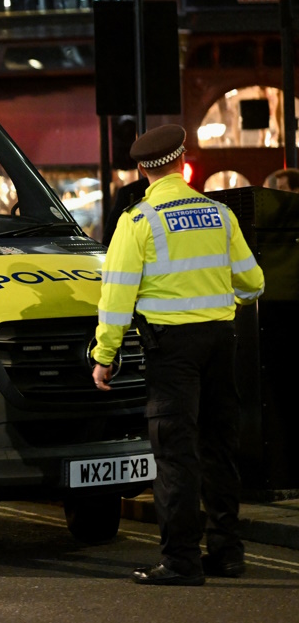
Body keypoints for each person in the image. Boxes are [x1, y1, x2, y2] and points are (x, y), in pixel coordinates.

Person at [89, 124, 264, 586]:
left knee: (174, 453)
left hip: (171, 351)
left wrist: (104, 355)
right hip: (219, 342)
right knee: (218, 448)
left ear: (143, 168)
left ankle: (182, 561)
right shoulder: (220, 214)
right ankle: (228, 552)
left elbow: (117, 297)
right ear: (181, 161)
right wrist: (217, 302)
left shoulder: (139, 221)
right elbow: (254, 282)